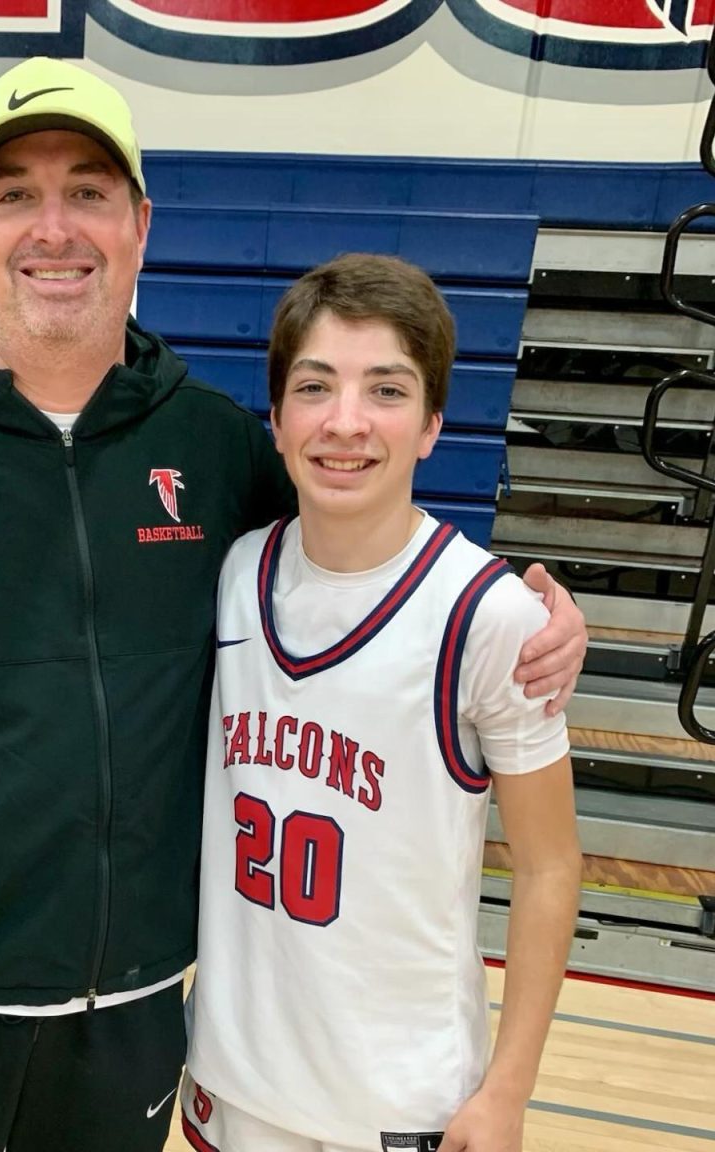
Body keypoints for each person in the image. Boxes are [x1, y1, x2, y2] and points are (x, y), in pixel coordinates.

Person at [0, 58, 587, 1152]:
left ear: (139, 223)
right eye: (16, 195)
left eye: (88, 192)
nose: (54, 228)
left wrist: (534, 615)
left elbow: (358, 529)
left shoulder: (214, 447)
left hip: (142, 1009)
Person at [181, 254, 583, 1152]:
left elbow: (551, 868)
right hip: (231, 1085)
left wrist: (508, 1093)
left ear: (434, 422)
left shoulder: (492, 618)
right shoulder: (234, 572)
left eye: (387, 390)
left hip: (400, 1108)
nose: (347, 422)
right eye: (316, 386)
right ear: (277, 416)